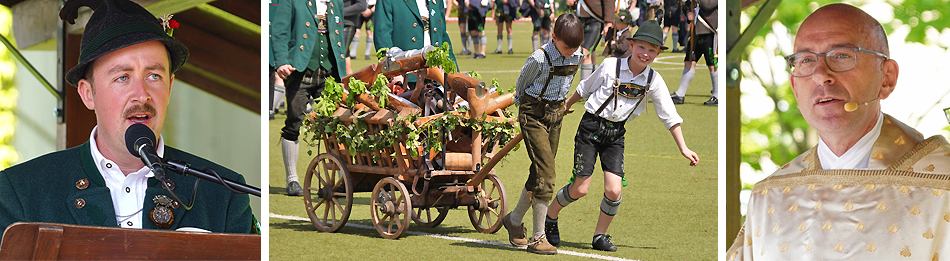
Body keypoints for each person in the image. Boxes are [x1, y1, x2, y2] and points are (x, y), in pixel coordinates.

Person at [0, 0, 254, 235]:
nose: (141, 95)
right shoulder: (19, 191)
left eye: (154, 76)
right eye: (122, 77)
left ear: (169, 87)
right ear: (88, 94)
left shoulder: (224, 192)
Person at [727, 4, 950, 260]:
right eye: (807, 60)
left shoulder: (942, 186)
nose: (821, 76)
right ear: (795, 88)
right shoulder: (770, 196)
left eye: (842, 55)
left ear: (886, 78)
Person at [544, 20, 699, 252]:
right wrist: (563, 108)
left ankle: (599, 236)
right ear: (632, 44)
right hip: (590, 128)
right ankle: (550, 216)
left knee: (614, 190)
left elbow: (670, 116)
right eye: (641, 47)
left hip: (616, 135)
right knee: (580, 189)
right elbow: (583, 89)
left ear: (658, 53)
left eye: (652, 50)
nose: (645, 54)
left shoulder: (653, 80)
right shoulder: (609, 66)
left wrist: (683, 148)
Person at [502, 13, 584, 255]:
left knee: (539, 171)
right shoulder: (539, 58)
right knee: (547, 175)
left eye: (575, 47)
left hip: (556, 114)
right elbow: (521, 85)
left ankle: (514, 221)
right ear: (554, 36)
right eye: (566, 47)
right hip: (533, 113)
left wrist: (560, 108)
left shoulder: (578, 54)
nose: (571, 52)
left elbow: (568, 82)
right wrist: (518, 109)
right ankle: (538, 237)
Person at [273, 0, 348, 196]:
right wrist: (281, 61)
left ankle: (337, 180)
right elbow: (279, 31)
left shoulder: (335, 2)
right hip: (299, 71)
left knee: (335, 124)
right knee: (294, 122)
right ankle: (292, 180)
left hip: (329, 72)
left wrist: (343, 71)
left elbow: (339, 33)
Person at [375, 0, 459, 88]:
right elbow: (382, 38)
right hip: (406, 78)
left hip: (437, 77)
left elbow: (443, 37)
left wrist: (455, 75)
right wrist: (393, 73)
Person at [670, 0, 717, 105]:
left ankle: (717, 95)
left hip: (709, 30)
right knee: (689, 61)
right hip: (697, 31)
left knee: (712, 63)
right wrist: (688, 14)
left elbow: (708, 5)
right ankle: (680, 94)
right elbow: (688, 5)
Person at [570, 0, 614, 80]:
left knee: (585, 53)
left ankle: (583, 90)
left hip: (595, 19)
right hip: (580, 19)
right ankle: (593, 84)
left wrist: (609, 22)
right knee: (589, 54)